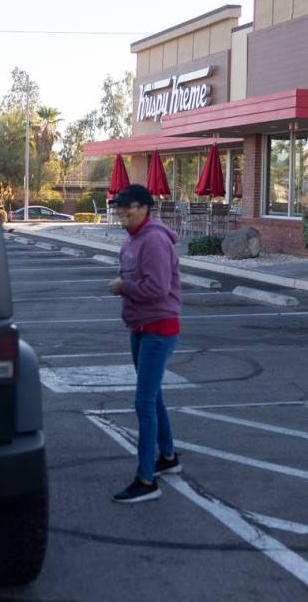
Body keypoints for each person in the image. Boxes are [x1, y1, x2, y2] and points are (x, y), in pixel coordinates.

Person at [107, 184, 182, 503]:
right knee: (153, 396)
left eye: (128, 207)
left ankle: (146, 480)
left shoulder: (153, 239)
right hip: (139, 326)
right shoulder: (133, 239)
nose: (122, 211)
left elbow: (158, 288)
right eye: (118, 207)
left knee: (143, 402)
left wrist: (124, 286)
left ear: (144, 208)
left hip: (158, 328)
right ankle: (168, 457)